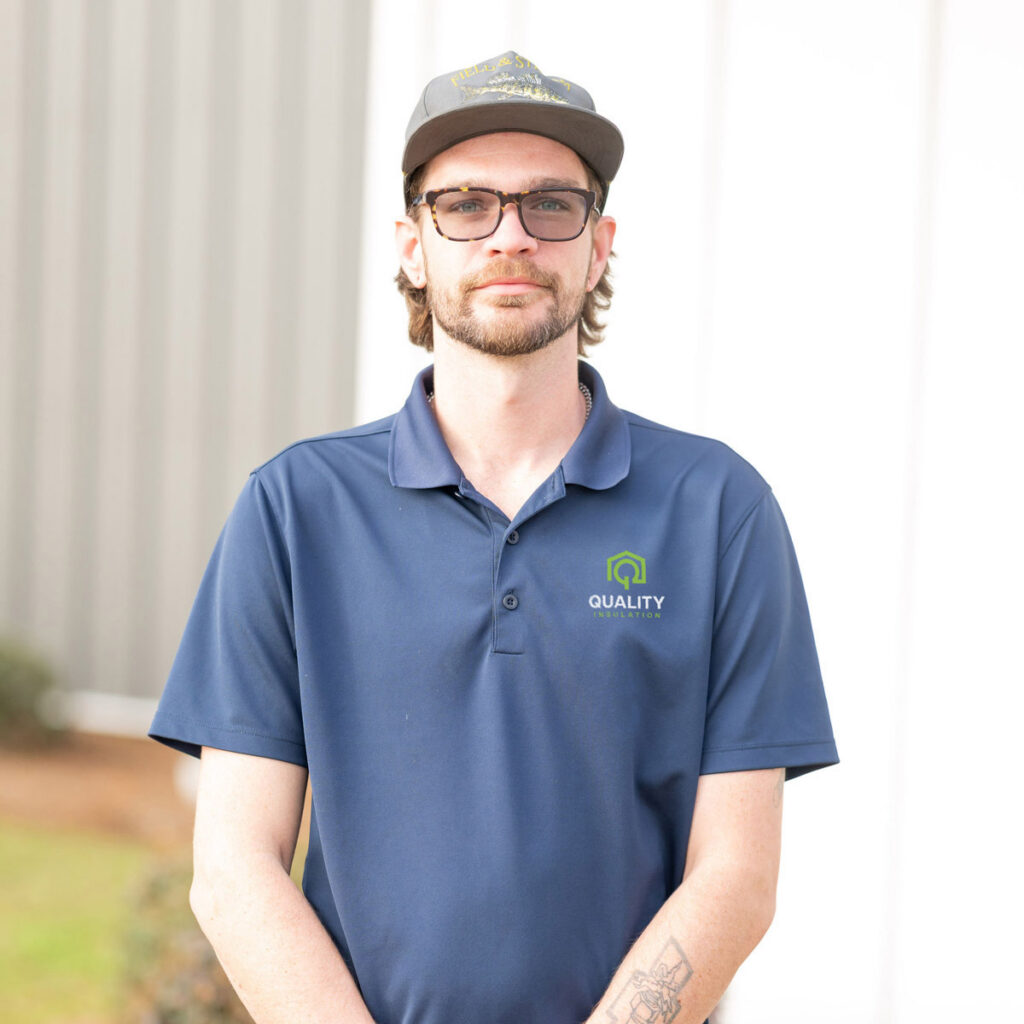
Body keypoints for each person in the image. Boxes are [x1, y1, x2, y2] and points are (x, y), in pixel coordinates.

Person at [151, 50, 838, 1024]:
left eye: (549, 205)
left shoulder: (718, 509)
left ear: (599, 245)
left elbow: (735, 873)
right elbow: (231, 866)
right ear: (411, 243)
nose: (509, 235)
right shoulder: (295, 509)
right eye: (465, 203)